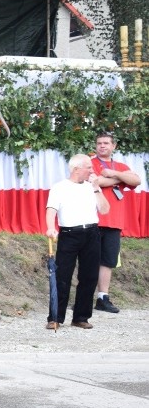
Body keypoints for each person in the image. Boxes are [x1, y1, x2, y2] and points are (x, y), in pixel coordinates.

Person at [45, 154, 110, 329]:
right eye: (88, 167)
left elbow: (104, 210)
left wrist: (97, 189)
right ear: (76, 169)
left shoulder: (91, 187)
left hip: (91, 233)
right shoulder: (59, 187)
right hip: (69, 234)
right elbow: (51, 209)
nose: (92, 170)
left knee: (89, 276)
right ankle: (55, 317)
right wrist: (51, 227)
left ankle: (81, 317)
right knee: (62, 276)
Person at [91, 132, 140, 313]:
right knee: (90, 260)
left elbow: (136, 180)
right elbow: (97, 181)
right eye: (99, 143)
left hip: (114, 221)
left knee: (108, 261)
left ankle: (102, 298)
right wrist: (120, 178)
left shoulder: (120, 165)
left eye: (106, 143)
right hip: (93, 220)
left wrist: (114, 173)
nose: (102, 146)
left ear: (114, 146)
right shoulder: (90, 163)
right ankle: (85, 296)